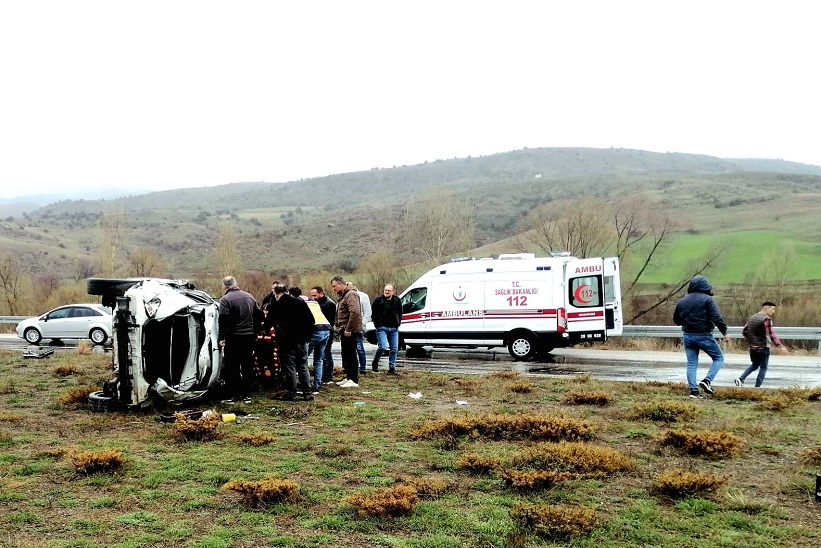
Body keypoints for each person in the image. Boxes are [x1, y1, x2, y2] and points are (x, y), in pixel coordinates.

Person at [673, 275, 730, 398]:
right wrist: (724, 332)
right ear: (706, 287)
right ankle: (707, 380)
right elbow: (717, 318)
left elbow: (676, 320)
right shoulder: (707, 300)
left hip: (688, 336)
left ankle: (694, 391)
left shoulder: (682, 301)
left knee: (691, 364)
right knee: (719, 358)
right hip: (704, 336)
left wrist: (687, 322)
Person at [265, 283, 315, 401]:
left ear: (276, 294)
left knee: (290, 367)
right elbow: (311, 320)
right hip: (302, 340)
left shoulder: (275, 306)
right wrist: (307, 336)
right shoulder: (300, 302)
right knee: (303, 366)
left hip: (286, 341)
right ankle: (307, 392)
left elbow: (268, 325)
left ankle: (291, 393)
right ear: (287, 291)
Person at [218, 276, 261, 402]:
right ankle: (246, 395)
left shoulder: (225, 300)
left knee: (232, 366)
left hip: (234, 337)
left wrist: (221, 337)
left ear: (225, 286)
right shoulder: (249, 296)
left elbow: (223, 321)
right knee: (247, 365)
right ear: (236, 283)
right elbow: (258, 315)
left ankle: (231, 394)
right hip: (248, 337)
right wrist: (256, 332)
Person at [735, 301, 789, 387]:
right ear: (766, 308)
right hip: (763, 347)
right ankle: (757, 387)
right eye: (772, 309)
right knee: (763, 367)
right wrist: (780, 346)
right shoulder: (766, 319)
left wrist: (751, 340)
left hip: (752, 347)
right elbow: (771, 334)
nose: (773, 311)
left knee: (755, 365)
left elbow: (744, 331)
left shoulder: (752, 317)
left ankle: (741, 379)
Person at [331, 276, 362, 388]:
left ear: (340, 283)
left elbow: (355, 312)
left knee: (351, 354)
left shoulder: (351, 294)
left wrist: (348, 329)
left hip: (350, 331)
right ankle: (349, 377)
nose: (333, 289)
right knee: (346, 354)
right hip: (344, 330)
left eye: (334, 286)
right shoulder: (345, 295)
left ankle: (353, 379)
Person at [371, 284, 402, 375]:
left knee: (394, 349)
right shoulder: (378, 300)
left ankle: (392, 368)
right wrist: (377, 325)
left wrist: (398, 323)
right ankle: (375, 361)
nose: (387, 292)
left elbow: (400, 312)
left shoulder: (397, 300)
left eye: (389, 290)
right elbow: (374, 314)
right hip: (382, 328)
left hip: (393, 328)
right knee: (383, 346)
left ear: (393, 291)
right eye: (385, 290)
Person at [305, 292, 332, 394]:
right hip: (326, 328)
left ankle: (305, 384)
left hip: (316, 330)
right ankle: (317, 384)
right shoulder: (314, 303)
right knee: (318, 360)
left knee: (303, 359)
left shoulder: (303, 304)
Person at [310, 286, 337, 384]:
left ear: (321, 293)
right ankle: (323, 376)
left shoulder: (329, 304)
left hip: (326, 330)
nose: (313, 297)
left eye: (315, 295)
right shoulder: (318, 303)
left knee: (326, 354)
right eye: (311, 295)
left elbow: (330, 321)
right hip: (322, 330)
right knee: (322, 356)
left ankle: (328, 375)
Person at [347, 282, 372, 375]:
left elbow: (368, 312)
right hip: (348, 326)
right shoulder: (345, 296)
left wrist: (362, 324)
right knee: (348, 349)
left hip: (359, 326)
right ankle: (348, 367)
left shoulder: (363, 296)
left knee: (359, 347)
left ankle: (362, 367)